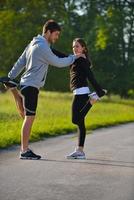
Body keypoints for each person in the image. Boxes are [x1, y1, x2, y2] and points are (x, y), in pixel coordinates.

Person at [1, 20, 82, 160]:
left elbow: (21, 61)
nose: (57, 38)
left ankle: (13, 88)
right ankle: (24, 151)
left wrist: (10, 76)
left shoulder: (33, 43)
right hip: (31, 85)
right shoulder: (43, 47)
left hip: (27, 84)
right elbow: (58, 62)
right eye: (56, 34)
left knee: (26, 115)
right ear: (48, 32)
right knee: (29, 118)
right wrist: (74, 57)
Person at [52, 38, 107, 159]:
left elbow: (90, 76)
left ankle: (92, 101)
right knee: (80, 124)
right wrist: (48, 48)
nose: (74, 49)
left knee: (75, 120)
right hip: (79, 92)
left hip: (81, 93)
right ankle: (80, 151)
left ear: (84, 48)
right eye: (73, 46)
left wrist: (99, 91)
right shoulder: (75, 58)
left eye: (77, 46)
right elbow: (62, 55)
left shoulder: (82, 60)